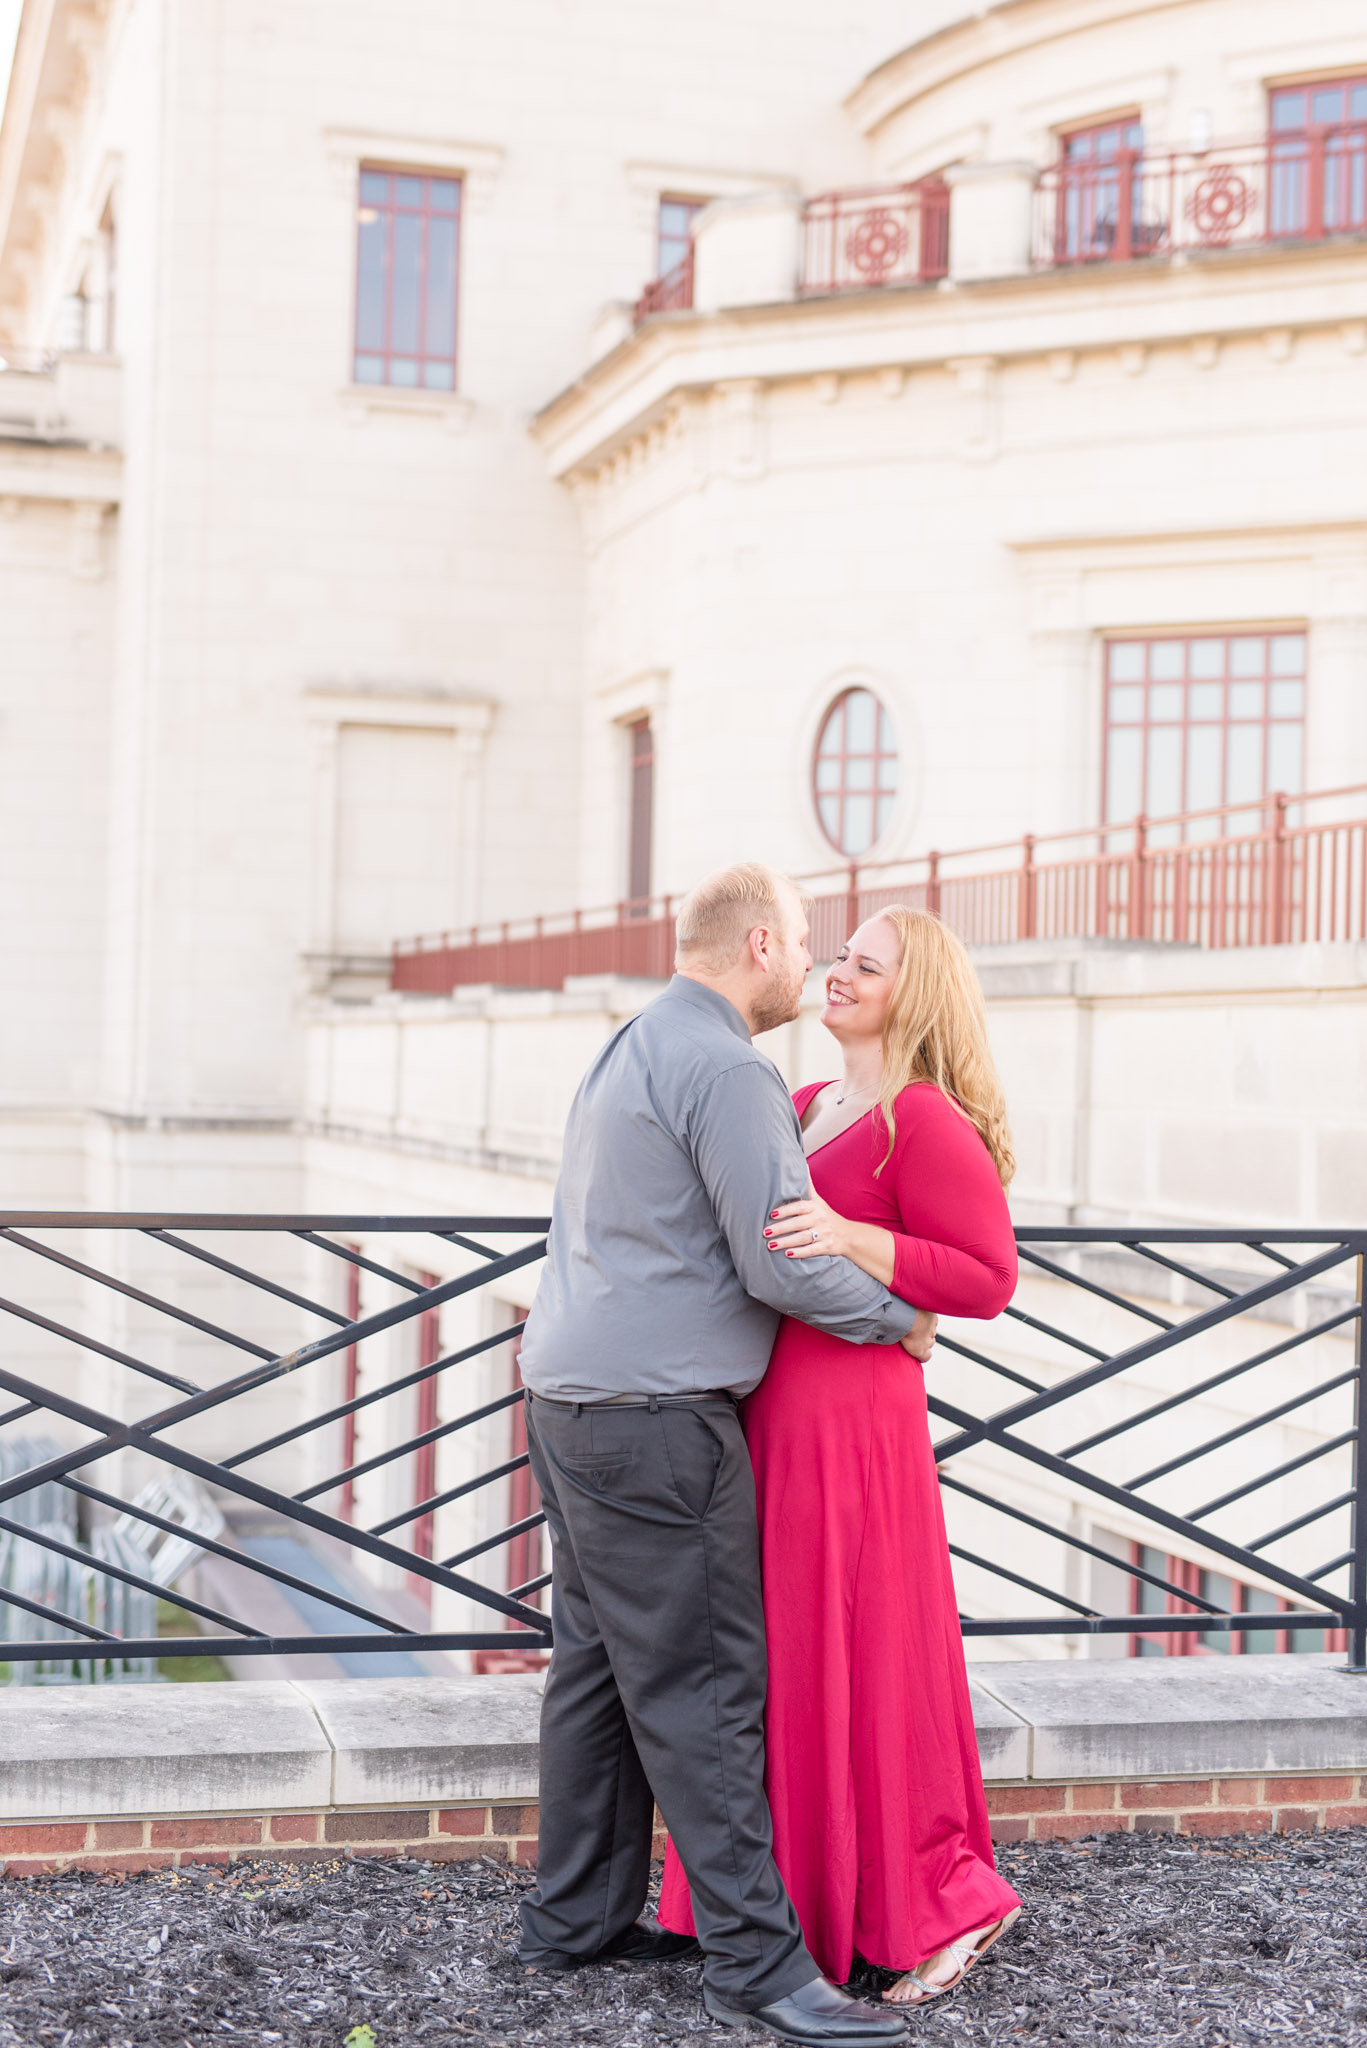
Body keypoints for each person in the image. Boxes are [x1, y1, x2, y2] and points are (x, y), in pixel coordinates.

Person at [515, 863, 936, 2046]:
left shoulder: (633, 1041)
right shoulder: (731, 1068)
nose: (811, 966)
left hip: (568, 1398)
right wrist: (895, 1318)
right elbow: (780, 1262)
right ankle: (756, 1964)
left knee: (596, 1673)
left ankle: (574, 1918)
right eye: (804, 943)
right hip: (654, 1420)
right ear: (759, 944)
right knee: (705, 1688)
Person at [659, 906, 1023, 2007]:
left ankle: (940, 1899)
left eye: (868, 965)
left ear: (911, 995)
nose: (839, 974)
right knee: (778, 1654)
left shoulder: (922, 1116)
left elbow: (985, 1274)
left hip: (856, 1430)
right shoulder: (807, 1101)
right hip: (774, 1417)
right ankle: (787, 1910)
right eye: (842, 957)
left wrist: (858, 1238)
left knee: (861, 1650)